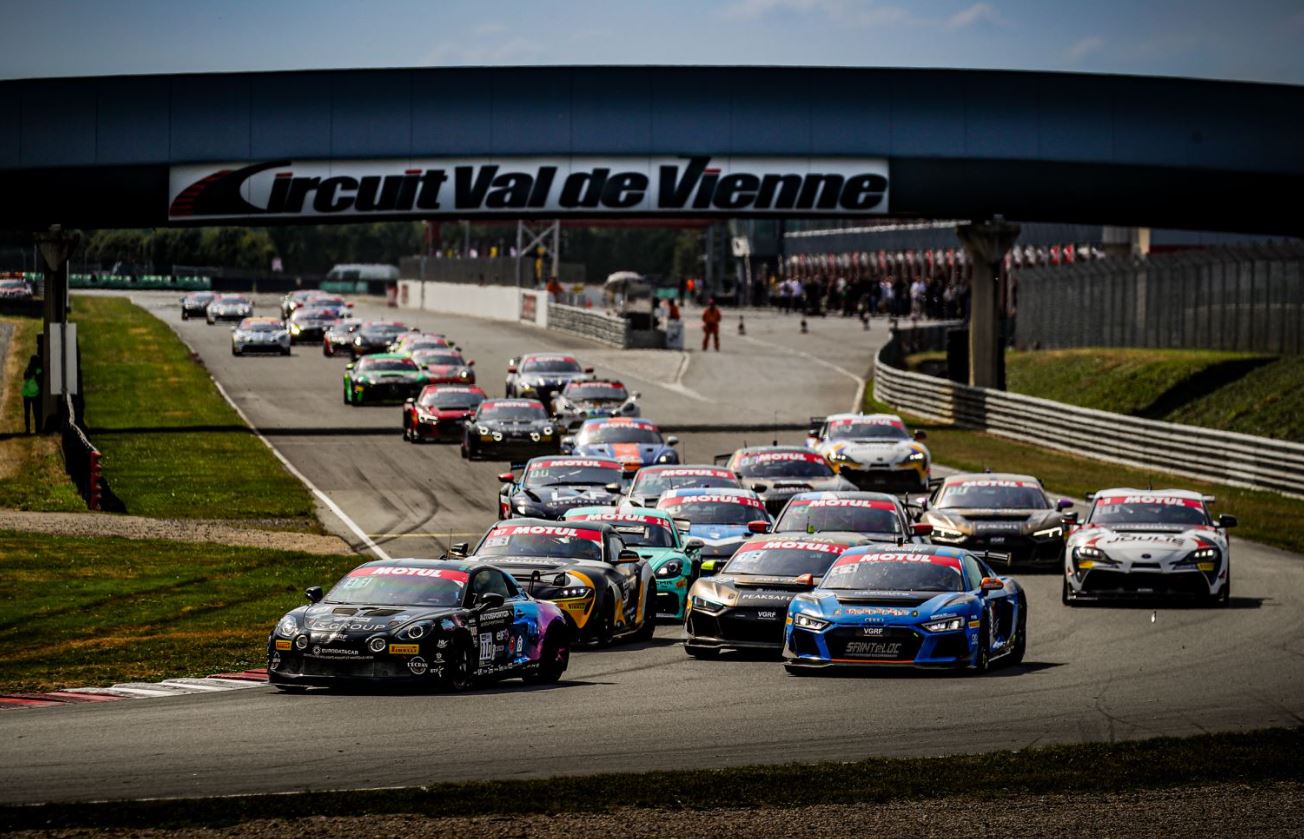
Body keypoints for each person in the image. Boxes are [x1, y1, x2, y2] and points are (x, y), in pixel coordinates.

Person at [22, 353, 40, 434]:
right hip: (31, 394)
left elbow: (27, 376)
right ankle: (29, 429)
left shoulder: (36, 369)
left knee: (33, 412)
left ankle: (32, 429)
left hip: (30, 394)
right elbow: (25, 376)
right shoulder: (30, 369)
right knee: (30, 412)